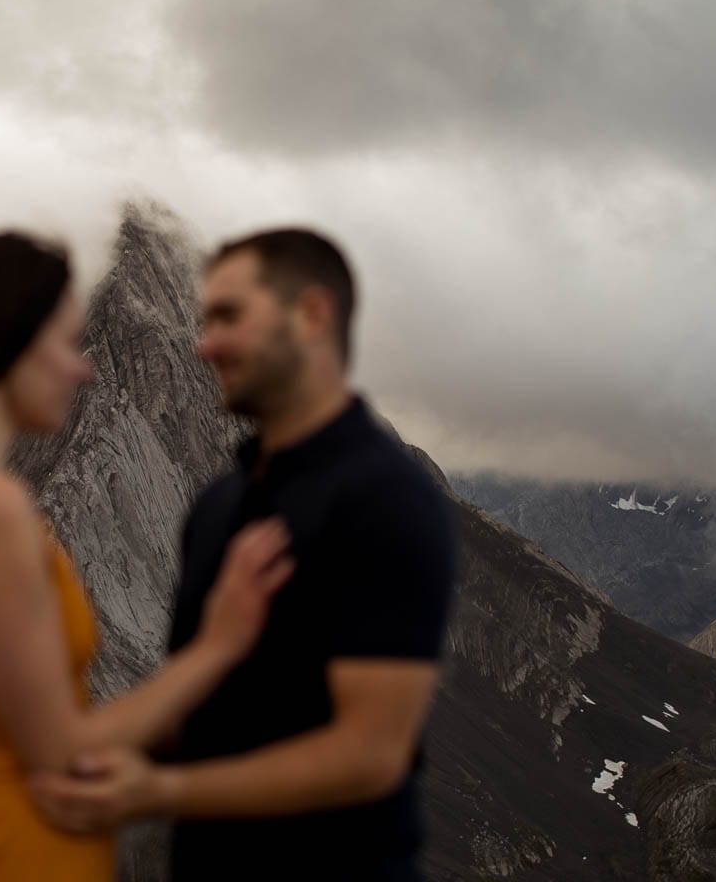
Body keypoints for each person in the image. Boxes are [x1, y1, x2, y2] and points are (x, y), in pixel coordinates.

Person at [0, 231, 294, 882]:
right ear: (6, 346)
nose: (83, 368)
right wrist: (219, 643)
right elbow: (60, 753)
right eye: (64, 343)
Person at [30, 229, 457, 881]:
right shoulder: (217, 508)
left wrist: (160, 793)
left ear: (312, 316)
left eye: (229, 317)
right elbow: (196, 717)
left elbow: (371, 754)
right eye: (204, 321)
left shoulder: (388, 499)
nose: (205, 345)